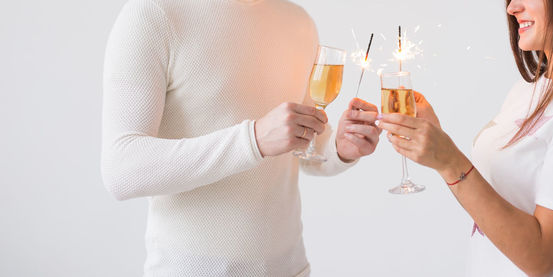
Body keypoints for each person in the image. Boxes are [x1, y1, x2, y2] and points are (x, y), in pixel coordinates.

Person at [378, 0, 553, 276]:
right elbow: (492, 204)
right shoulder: (526, 91)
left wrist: (450, 163)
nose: (512, 7)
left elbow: (540, 259)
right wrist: (438, 144)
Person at [100, 0, 381, 276]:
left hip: (289, 268)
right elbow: (121, 169)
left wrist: (340, 149)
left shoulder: (299, 21)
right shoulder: (153, 14)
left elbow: (306, 145)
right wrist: (253, 140)